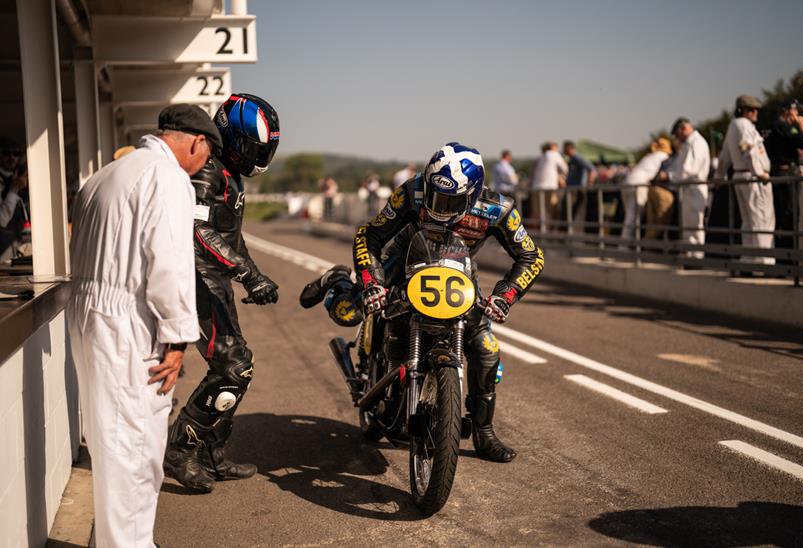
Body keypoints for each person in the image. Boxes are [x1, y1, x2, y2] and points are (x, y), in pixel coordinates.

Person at [305, 142, 544, 462]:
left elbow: (531, 256)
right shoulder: (410, 192)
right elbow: (368, 235)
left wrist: (505, 296)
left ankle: (485, 433)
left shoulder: (498, 208)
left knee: (487, 348)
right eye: (434, 195)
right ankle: (336, 280)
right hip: (402, 262)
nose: (438, 207)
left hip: (457, 275)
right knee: (348, 311)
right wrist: (372, 284)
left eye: (449, 200)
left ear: (473, 194)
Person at [67, 104, 220, 547]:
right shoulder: (168, 177)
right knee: (135, 449)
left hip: (90, 311)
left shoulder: (105, 175)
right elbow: (169, 262)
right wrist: (177, 338)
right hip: (127, 319)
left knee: (109, 441)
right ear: (196, 142)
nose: (204, 163)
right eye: (207, 153)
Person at [164, 94, 282, 493]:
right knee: (233, 368)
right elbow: (197, 232)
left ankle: (212, 452)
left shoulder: (229, 173)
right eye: (254, 147)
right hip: (198, 279)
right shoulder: (207, 171)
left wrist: (255, 273)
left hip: (212, 279)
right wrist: (249, 275)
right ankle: (180, 450)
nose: (258, 156)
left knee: (236, 365)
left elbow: (230, 234)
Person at [715, 95, 774, 266]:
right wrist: (758, 172)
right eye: (751, 109)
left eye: (756, 109)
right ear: (742, 111)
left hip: (740, 176)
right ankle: (763, 262)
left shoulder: (732, 126)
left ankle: (748, 259)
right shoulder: (744, 125)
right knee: (761, 219)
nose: (755, 113)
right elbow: (747, 148)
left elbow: (725, 156)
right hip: (752, 177)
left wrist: (719, 176)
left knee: (748, 222)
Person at [764, 98, 803, 251]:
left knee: (780, 218)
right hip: (785, 176)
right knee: (789, 218)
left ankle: (783, 259)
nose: (797, 114)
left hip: (777, 174)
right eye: (795, 110)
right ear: (787, 111)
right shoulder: (783, 126)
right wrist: (802, 126)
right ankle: (788, 260)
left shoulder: (772, 126)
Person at [661, 117, 710, 258]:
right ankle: (691, 253)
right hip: (689, 188)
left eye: (677, 135)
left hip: (694, 187)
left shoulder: (696, 143)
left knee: (694, 224)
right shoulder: (690, 143)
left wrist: (670, 176)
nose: (678, 138)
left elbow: (689, 170)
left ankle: (696, 255)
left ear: (683, 129)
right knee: (689, 224)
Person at [620, 137, 672, 241]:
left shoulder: (649, 156)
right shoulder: (664, 157)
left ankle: (627, 244)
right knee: (634, 217)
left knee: (629, 216)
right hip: (639, 185)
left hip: (627, 183)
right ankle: (626, 245)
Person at [530, 141, 567, 232]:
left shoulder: (539, 157)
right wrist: (561, 177)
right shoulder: (554, 154)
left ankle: (540, 231)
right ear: (552, 147)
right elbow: (565, 169)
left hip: (536, 187)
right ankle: (547, 231)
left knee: (538, 211)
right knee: (549, 210)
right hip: (549, 187)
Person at [0, 137, 27, 261]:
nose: (11, 157)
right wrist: (14, 189)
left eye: (15, 153)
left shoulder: (20, 178)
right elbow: (2, 219)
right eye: (6, 153)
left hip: (20, 247)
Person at [561, 141, 596, 228]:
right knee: (569, 212)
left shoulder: (576, 157)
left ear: (568, 148)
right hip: (573, 189)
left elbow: (591, 169)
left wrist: (589, 183)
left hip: (576, 190)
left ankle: (570, 231)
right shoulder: (573, 158)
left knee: (570, 211)